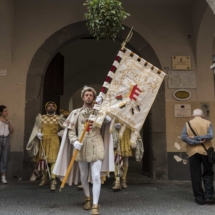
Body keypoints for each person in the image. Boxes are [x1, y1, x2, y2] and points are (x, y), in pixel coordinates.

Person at [53, 86, 113, 215]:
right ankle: (87, 198)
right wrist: (74, 141)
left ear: (94, 97)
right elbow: (71, 131)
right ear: (82, 97)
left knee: (96, 176)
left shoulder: (98, 111)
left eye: (91, 95)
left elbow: (108, 121)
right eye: (87, 95)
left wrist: (102, 108)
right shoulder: (75, 113)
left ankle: (95, 205)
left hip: (96, 143)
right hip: (81, 146)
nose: (89, 97)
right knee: (83, 176)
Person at [26, 101, 65, 191]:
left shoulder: (59, 118)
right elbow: (36, 128)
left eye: (52, 106)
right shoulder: (41, 118)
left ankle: (53, 180)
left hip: (54, 140)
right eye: (49, 106)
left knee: (53, 160)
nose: (51, 107)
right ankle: (44, 177)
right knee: (42, 160)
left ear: (55, 108)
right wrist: (38, 133)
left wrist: (61, 133)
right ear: (46, 108)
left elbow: (66, 128)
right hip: (43, 140)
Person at [181, 108, 214, 205]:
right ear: (203, 115)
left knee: (195, 175)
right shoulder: (208, 122)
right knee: (208, 173)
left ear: (192, 115)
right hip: (206, 151)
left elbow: (183, 137)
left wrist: (194, 139)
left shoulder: (188, 124)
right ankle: (209, 195)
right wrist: (200, 140)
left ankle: (199, 198)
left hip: (193, 152)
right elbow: (210, 136)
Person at [112, 122, 144, 190]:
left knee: (126, 159)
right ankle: (117, 181)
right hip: (118, 137)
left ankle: (123, 179)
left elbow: (134, 125)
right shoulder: (116, 112)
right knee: (117, 159)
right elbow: (112, 122)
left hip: (127, 136)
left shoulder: (131, 112)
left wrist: (134, 139)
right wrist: (114, 126)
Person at [0, 105, 14, 184]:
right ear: (1, 113)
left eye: (7, 111)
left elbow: (12, 131)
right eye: (5, 111)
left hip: (6, 139)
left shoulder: (8, 120)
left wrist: (9, 123)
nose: (7, 112)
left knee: (5, 157)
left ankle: (3, 176)